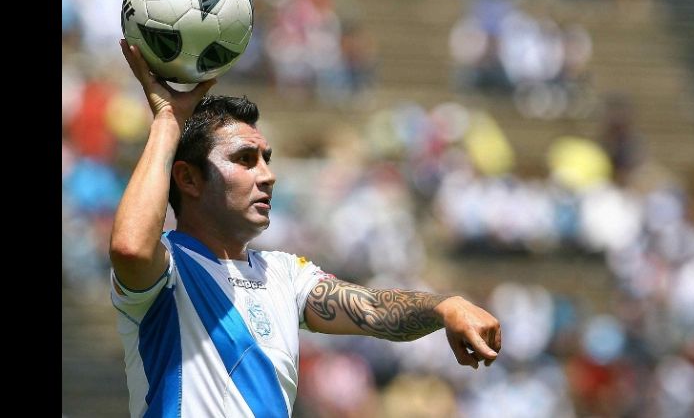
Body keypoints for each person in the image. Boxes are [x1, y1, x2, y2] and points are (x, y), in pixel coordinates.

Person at [110, 39, 502, 417]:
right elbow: (130, 248)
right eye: (245, 160)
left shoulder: (284, 274)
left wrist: (444, 306)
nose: (268, 176)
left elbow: (373, 309)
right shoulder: (168, 270)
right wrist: (167, 122)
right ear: (189, 179)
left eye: (265, 159)